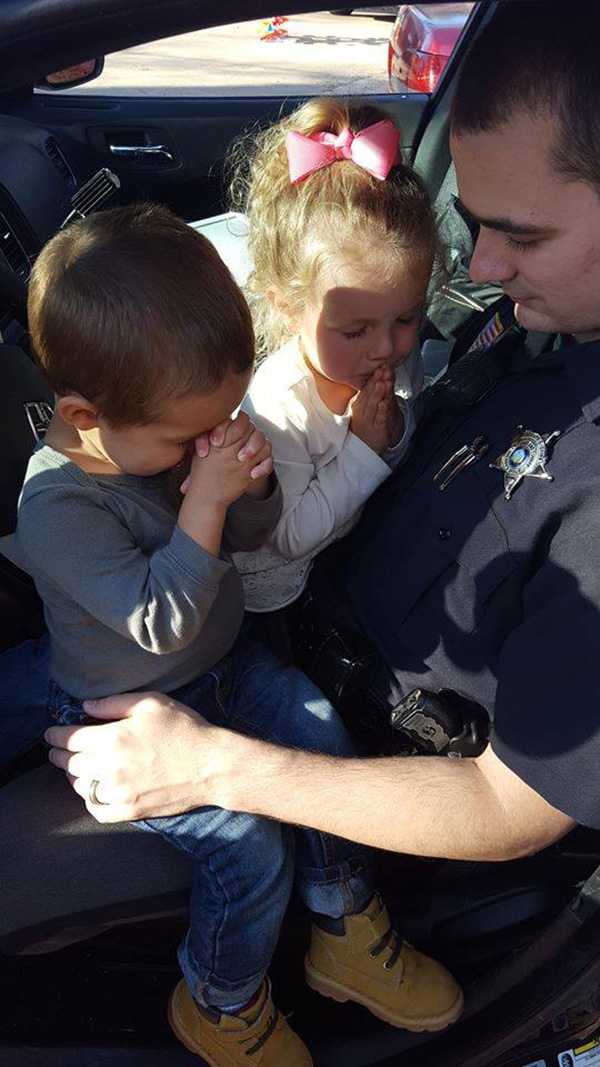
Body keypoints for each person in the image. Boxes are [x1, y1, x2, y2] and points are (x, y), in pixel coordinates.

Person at [46, 0, 600, 863]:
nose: (483, 269)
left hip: (361, 739)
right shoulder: (537, 324)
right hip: (286, 621)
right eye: (480, 225)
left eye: (523, 235)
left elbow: (509, 808)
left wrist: (208, 766)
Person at [8, 203, 462, 1066]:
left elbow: (248, 545)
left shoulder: (161, 446)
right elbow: (159, 616)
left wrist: (244, 487)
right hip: (127, 705)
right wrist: (207, 495)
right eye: (185, 437)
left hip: (224, 663)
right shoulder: (57, 506)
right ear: (82, 412)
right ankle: (220, 1001)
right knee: (246, 846)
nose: (198, 451)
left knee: (320, 735)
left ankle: (344, 929)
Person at [227, 98, 435, 614]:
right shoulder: (279, 408)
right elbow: (290, 537)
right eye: (356, 330)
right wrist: (365, 444)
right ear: (288, 305)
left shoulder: (381, 355)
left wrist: (393, 426)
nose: (387, 347)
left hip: (356, 541)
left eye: (406, 319)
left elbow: (407, 424)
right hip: (282, 589)